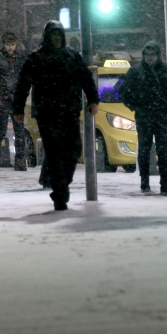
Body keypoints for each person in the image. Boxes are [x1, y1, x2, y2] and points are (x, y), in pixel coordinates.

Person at [13, 21, 99, 211]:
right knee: (54, 154)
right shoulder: (36, 59)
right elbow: (23, 85)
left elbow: (85, 78)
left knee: (74, 150)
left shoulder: (72, 57)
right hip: (47, 113)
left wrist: (93, 99)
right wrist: (18, 108)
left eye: (59, 35)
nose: (57, 39)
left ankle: (62, 184)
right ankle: (60, 194)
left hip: (69, 111)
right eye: (53, 35)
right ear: (47, 37)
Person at [117, 40, 167, 196]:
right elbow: (122, 90)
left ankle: (165, 184)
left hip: (161, 114)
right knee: (144, 149)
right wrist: (135, 106)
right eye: (147, 55)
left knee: (163, 150)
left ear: (158, 55)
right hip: (144, 115)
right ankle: (145, 182)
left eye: (153, 55)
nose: (149, 58)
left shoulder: (165, 70)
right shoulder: (136, 71)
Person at [0, 31, 27, 171]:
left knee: (20, 131)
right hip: (2, 100)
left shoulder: (21, 58)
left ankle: (20, 159)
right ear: (4, 44)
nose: (11, 47)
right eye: (8, 45)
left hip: (16, 100)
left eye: (13, 44)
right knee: (1, 131)